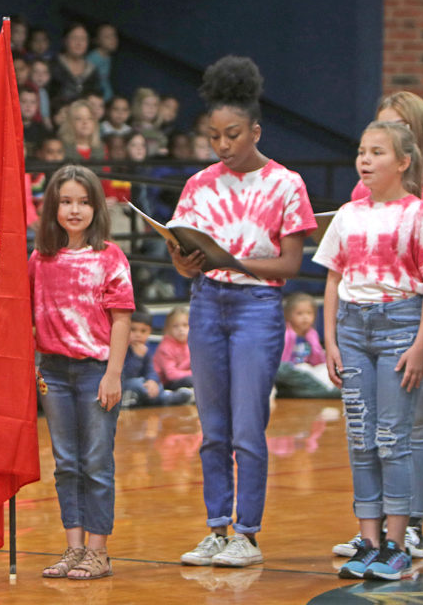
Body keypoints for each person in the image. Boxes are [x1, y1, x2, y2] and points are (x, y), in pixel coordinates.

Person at [169, 56, 316, 568]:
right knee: (211, 427)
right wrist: (186, 262)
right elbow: (185, 255)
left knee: (247, 427)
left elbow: (292, 263)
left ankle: (247, 536)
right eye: (214, 136)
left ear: (256, 130)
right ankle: (216, 528)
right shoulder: (198, 185)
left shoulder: (286, 184)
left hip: (257, 306)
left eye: (233, 134)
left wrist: (234, 261)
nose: (223, 145)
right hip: (206, 300)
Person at [314, 120, 423, 580]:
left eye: (377, 152)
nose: (365, 160)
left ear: (404, 162)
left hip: (399, 326)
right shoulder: (349, 213)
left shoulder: (419, 214)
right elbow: (333, 276)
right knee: (360, 439)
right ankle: (367, 543)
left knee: (393, 439)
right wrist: (330, 340)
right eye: (361, 151)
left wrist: (420, 344)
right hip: (352, 329)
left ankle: (396, 544)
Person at [31, 165, 133, 580]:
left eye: (84, 202)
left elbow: (122, 319)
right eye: (66, 201)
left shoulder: (110, 256)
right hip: (53, 371)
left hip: (95, 371)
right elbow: (23, 316)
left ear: (97, 207)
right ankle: (73, 548)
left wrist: (113, 374)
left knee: (96, 461)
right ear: (53, 206)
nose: (74, 210)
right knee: (65, 462)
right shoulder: (40, 258)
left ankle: (98, 550)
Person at [122, 308, 193, 408]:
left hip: (144, 384)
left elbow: (151, 370)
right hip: (127, 384)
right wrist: (137, 357)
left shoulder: (144, 348)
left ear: (149, 332)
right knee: (138, 384)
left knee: (154, 386)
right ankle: (166, 397)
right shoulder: (122, 349)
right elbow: (126, 374)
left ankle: (164, 397)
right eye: (133, 330)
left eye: (143, 331)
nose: (138, 335)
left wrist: (152, 381)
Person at [274, 293, 339, 399]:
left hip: (308, 369)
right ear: (288, 315)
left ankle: (329, 388)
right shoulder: (286, 334)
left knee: (325, 369)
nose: (305, 317)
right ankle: (327, 391)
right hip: (292, 370)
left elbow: (317, 360)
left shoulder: (312, 334)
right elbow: (282, 361)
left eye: (309, 313)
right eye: (299, 314)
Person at [49, 23, 101, 105]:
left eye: (83, 39)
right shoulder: (52, 65)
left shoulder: (92, 71)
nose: (79, 43)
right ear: (65, 40)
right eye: (74, 38)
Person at [152, 307, 194, 391]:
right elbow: (171, 375)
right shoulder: (165, 347)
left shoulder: (192, 343)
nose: (181, 329)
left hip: (185, 378)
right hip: (165, 384)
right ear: (168, 329)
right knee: (192, 380)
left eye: (185, 325)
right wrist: (194, 374)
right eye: (175, 326)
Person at [86, 23, 118, 101]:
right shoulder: (92, 59)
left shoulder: (108, 58)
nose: (113, 39)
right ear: (97, 40)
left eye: (114, 35)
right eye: (107, 37)